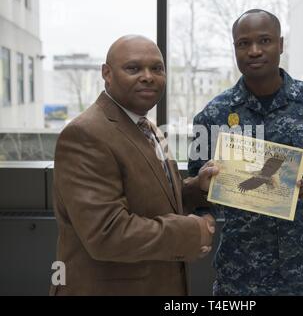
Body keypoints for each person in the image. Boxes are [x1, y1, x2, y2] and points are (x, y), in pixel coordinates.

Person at [188, 9, 303, 296]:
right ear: (235, 50)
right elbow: (195, 185)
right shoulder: (213, 115)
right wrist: (203, 214)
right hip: (240, 275)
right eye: (244, 44)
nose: (254, 51)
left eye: (264, 40)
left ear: (280, 45)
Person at [51, 35, 218, 296]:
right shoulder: (85, 134)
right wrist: (189, 232)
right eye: (133, 68)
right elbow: (107, 233)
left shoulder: (149, 128)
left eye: (157, 68)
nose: (148, 76)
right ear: (106, 73)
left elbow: (156, 199)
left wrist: (198, 188)